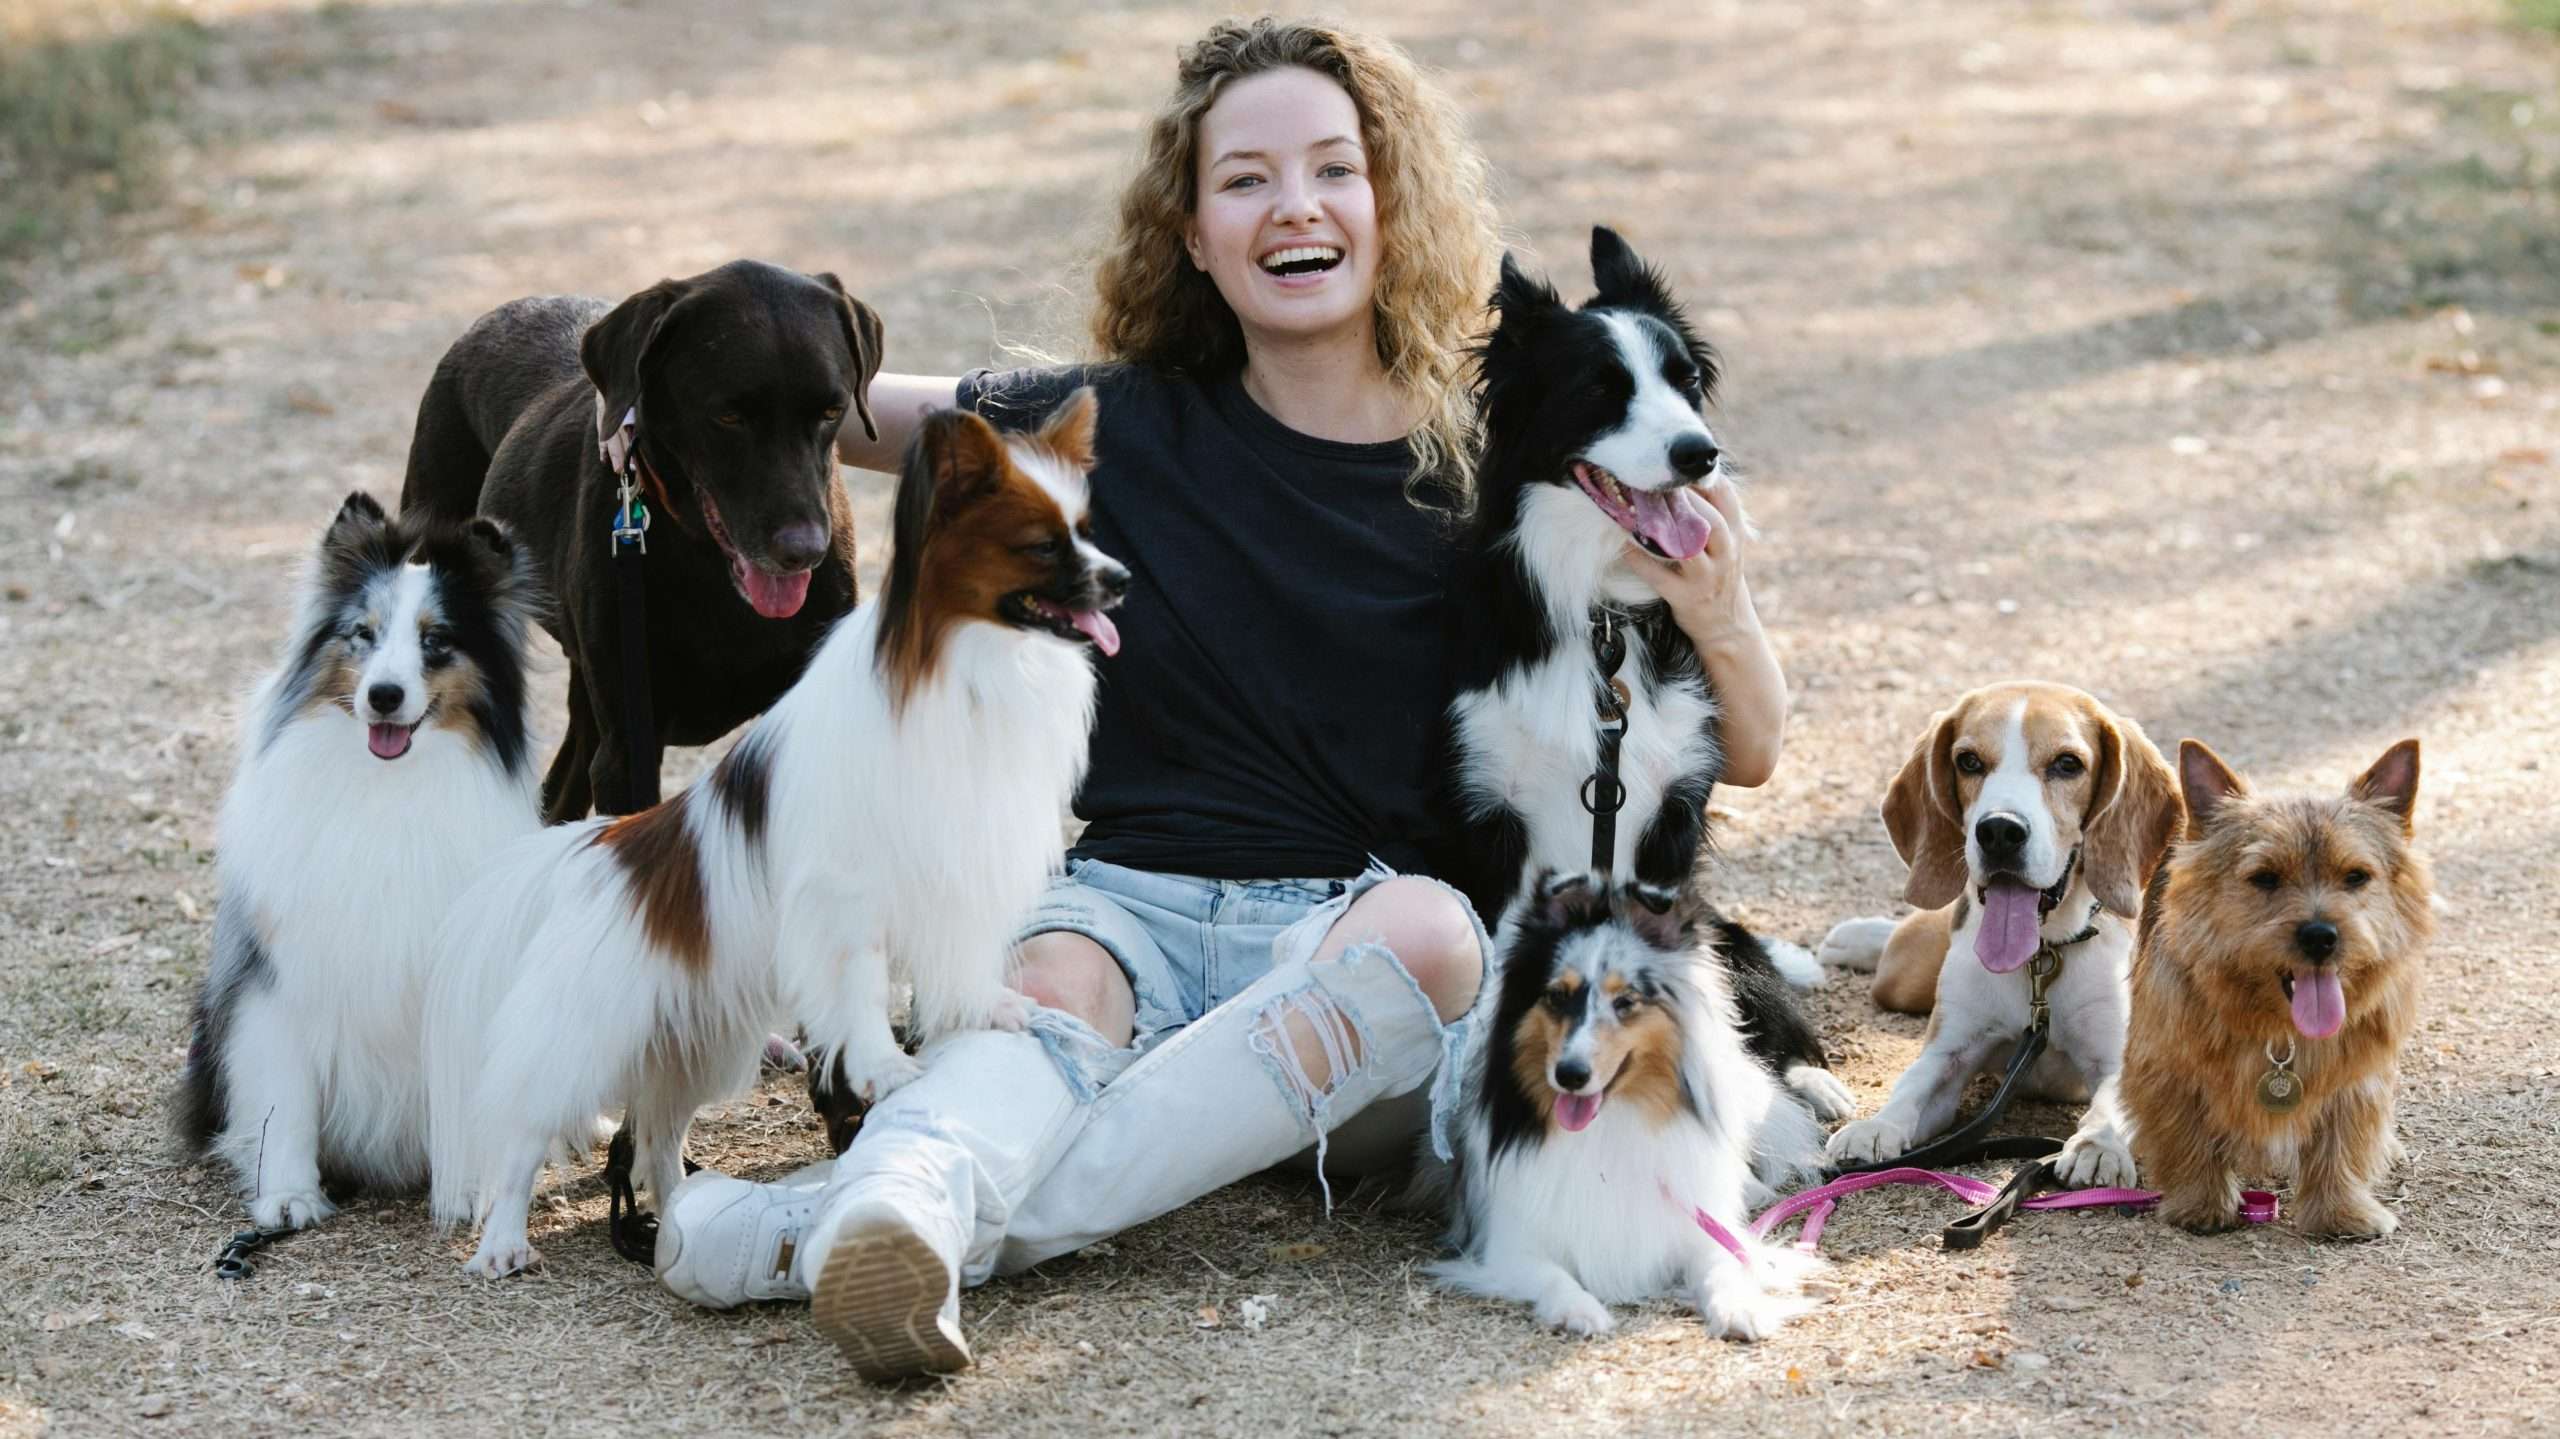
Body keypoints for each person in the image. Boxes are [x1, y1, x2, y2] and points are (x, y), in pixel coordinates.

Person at [650, 16, 1789, 1381]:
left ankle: (805, 1230)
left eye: (1331, 168)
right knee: (1048, 975)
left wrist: (1719, 598)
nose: (1293, 206)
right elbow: (840, 404)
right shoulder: (1122, 418)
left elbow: (1756, 748)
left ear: (1389, 203)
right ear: (1189, 233)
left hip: (1346, 944)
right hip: (1130, 902)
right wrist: (633, 379)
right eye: (1244, 178)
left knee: (1437, 938)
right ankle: (897, 1213)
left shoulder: (1496, 461)